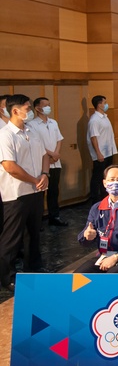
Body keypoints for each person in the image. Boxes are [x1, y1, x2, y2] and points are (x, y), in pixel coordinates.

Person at [0, 95, 50, 291]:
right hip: (16, 194)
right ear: (15, 111)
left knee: (33, 233)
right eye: (27, 108)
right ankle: (7, 277)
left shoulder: (32, 130)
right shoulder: (5, 135)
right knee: (12, 237)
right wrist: (34, 179)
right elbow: (9, 166)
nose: (29, 111)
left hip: (36, 190)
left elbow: (45, 154)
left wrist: (45, 174)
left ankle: (33, 267)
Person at [28, 97, 66, 227]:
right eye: (45, 105)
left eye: (49, 105)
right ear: (38, 108)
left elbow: (59, 139)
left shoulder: (53, 122)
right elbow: (37, 143)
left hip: (55, 162)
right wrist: (51, 154)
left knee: (54, 191)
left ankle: (54, 216)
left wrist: (56, 153)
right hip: (43, 163)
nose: (48, 107)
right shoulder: (32, 125)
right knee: (40, 193)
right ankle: (36, 222)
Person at [87, 95, 117, 204]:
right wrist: (98, 153)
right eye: (105, 102)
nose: (106, 104)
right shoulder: (94, 120)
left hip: (108, 151)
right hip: (101, 154)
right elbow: (93, 137)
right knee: (98, 177)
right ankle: (95, 199)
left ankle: (105, 197)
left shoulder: (104, 117)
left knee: (106, 176)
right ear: (99, 104)